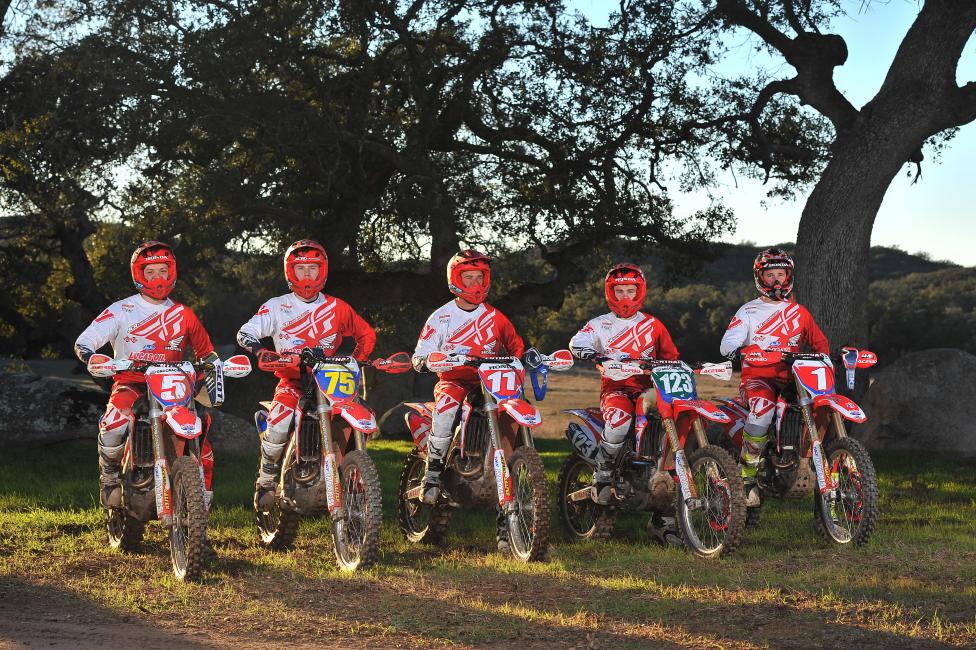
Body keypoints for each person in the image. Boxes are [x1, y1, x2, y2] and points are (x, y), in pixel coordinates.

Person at [74, 241, 220, 509]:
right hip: (132, 384)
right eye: (149, 272)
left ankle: (201, 502)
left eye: (162, 270)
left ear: (171, 272)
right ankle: (109, 478)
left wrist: (215, 369)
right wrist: (93, 356)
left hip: (175, 390)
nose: (157, 278)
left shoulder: (184, 314)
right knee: (114, 424)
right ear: (138, 275)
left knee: (203, 436)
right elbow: (85, 341)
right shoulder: (122, 310)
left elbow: (207, 354)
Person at [237, 240, 376, 510]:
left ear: (323, 271)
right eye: (301, 269)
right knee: (278, 423)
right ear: (291, 272)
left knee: (358, 418)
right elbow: (245, 332)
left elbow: (366, 334)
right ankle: (265, 482)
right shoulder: (277, 306)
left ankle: (354, 479)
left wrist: (357, 360)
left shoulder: (338, 307)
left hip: (334, 382)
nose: (308, 275)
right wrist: (261, 352)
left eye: (313, 268)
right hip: (293, 381)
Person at [411, 249, 525, 506]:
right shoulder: (441, 317)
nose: (475, 283)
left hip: (491, 382)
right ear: (455, 280)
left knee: (511, 415)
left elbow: (516, 346)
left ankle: (516, 463)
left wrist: (524, 358)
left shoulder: (495, 317)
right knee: (447, 408)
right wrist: (427, 360)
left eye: (480, 277)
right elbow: (420, 354)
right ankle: (433, 473)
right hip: (455, 381)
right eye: (468, 277)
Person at [719, 247, 829, 508]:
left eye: (781, 273)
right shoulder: (748, 310)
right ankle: (746, 474)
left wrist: (828, 358)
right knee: (764, 407)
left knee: (819, 405)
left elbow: (821, 346)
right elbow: (727, 344)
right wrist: (745, 350)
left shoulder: (799, 312)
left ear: (789, 276)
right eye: (771, 275)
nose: (777, 280)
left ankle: (806, 462)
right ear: (761, 278)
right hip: (758, 379)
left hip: (795, 379)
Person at [568, 263, 679, 506]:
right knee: (619, 420)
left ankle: (665, 511)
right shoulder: (600, 323)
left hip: (651, 389)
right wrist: (595, 355)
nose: (625, 296)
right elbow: (577, 342)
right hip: (615, 389)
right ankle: (603, 471)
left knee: (671, 428)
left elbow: (672, 358)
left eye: (630, 290)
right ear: (610, 292)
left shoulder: (653, 325)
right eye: (619, 291)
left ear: (640, 292)